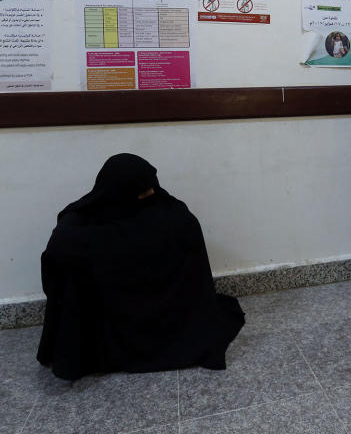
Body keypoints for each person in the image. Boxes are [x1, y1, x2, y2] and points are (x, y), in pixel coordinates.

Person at [37, 153, 245, 381]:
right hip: (162, 326)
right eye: (143, 190)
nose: (151, 194)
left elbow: (62, 242)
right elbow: (60, 246)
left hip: (153, 322)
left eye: (150, 187)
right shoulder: (169, 216)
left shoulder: (173, 220)